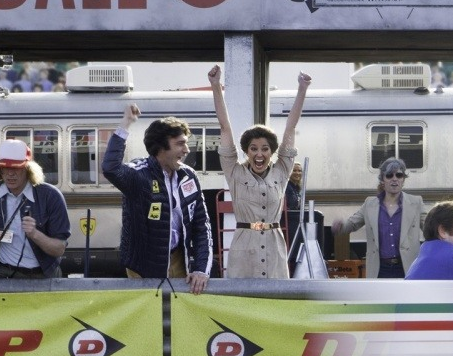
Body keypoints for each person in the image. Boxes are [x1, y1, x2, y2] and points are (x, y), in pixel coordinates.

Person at [209, 65, 311, 278]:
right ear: (246, 151)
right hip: (243, 248)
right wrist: (216, 86)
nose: (259, 154)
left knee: (276, 295)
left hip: (274, 247)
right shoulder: (235, 172)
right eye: (253, 148)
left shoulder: (282, 171)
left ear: (272, 152)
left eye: (265, 149)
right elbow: (224, 127)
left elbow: (291, 128)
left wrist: (302, 89)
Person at [102, 107, 213, 294]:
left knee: (177, 313)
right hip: (142, 269)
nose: (187, 150)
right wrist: (125, 123)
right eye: (180, 144)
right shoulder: (139, 174)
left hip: (179, 263)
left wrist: (201, 269)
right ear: (161, 147)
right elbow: (110, 168)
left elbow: (201, 227)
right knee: (150, 314)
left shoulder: (188, 176)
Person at [0, 139, 70, 279]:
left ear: (28, 169)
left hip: (42, 275)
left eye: (16, 168)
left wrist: (35, 234)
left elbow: (59, 249)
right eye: (5, 167)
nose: (10, 174)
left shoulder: (50, 196)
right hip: (3, 272)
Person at [332, 157, 423, 278]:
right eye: (389, 175)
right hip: (379, 269)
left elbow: (429, 225)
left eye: (399, 175)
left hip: (407, 267)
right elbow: (353, 224)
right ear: (382, 179)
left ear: (403, 179)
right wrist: (340, 226)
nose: (394, 179)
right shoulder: (370, 204)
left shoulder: (416, 202)